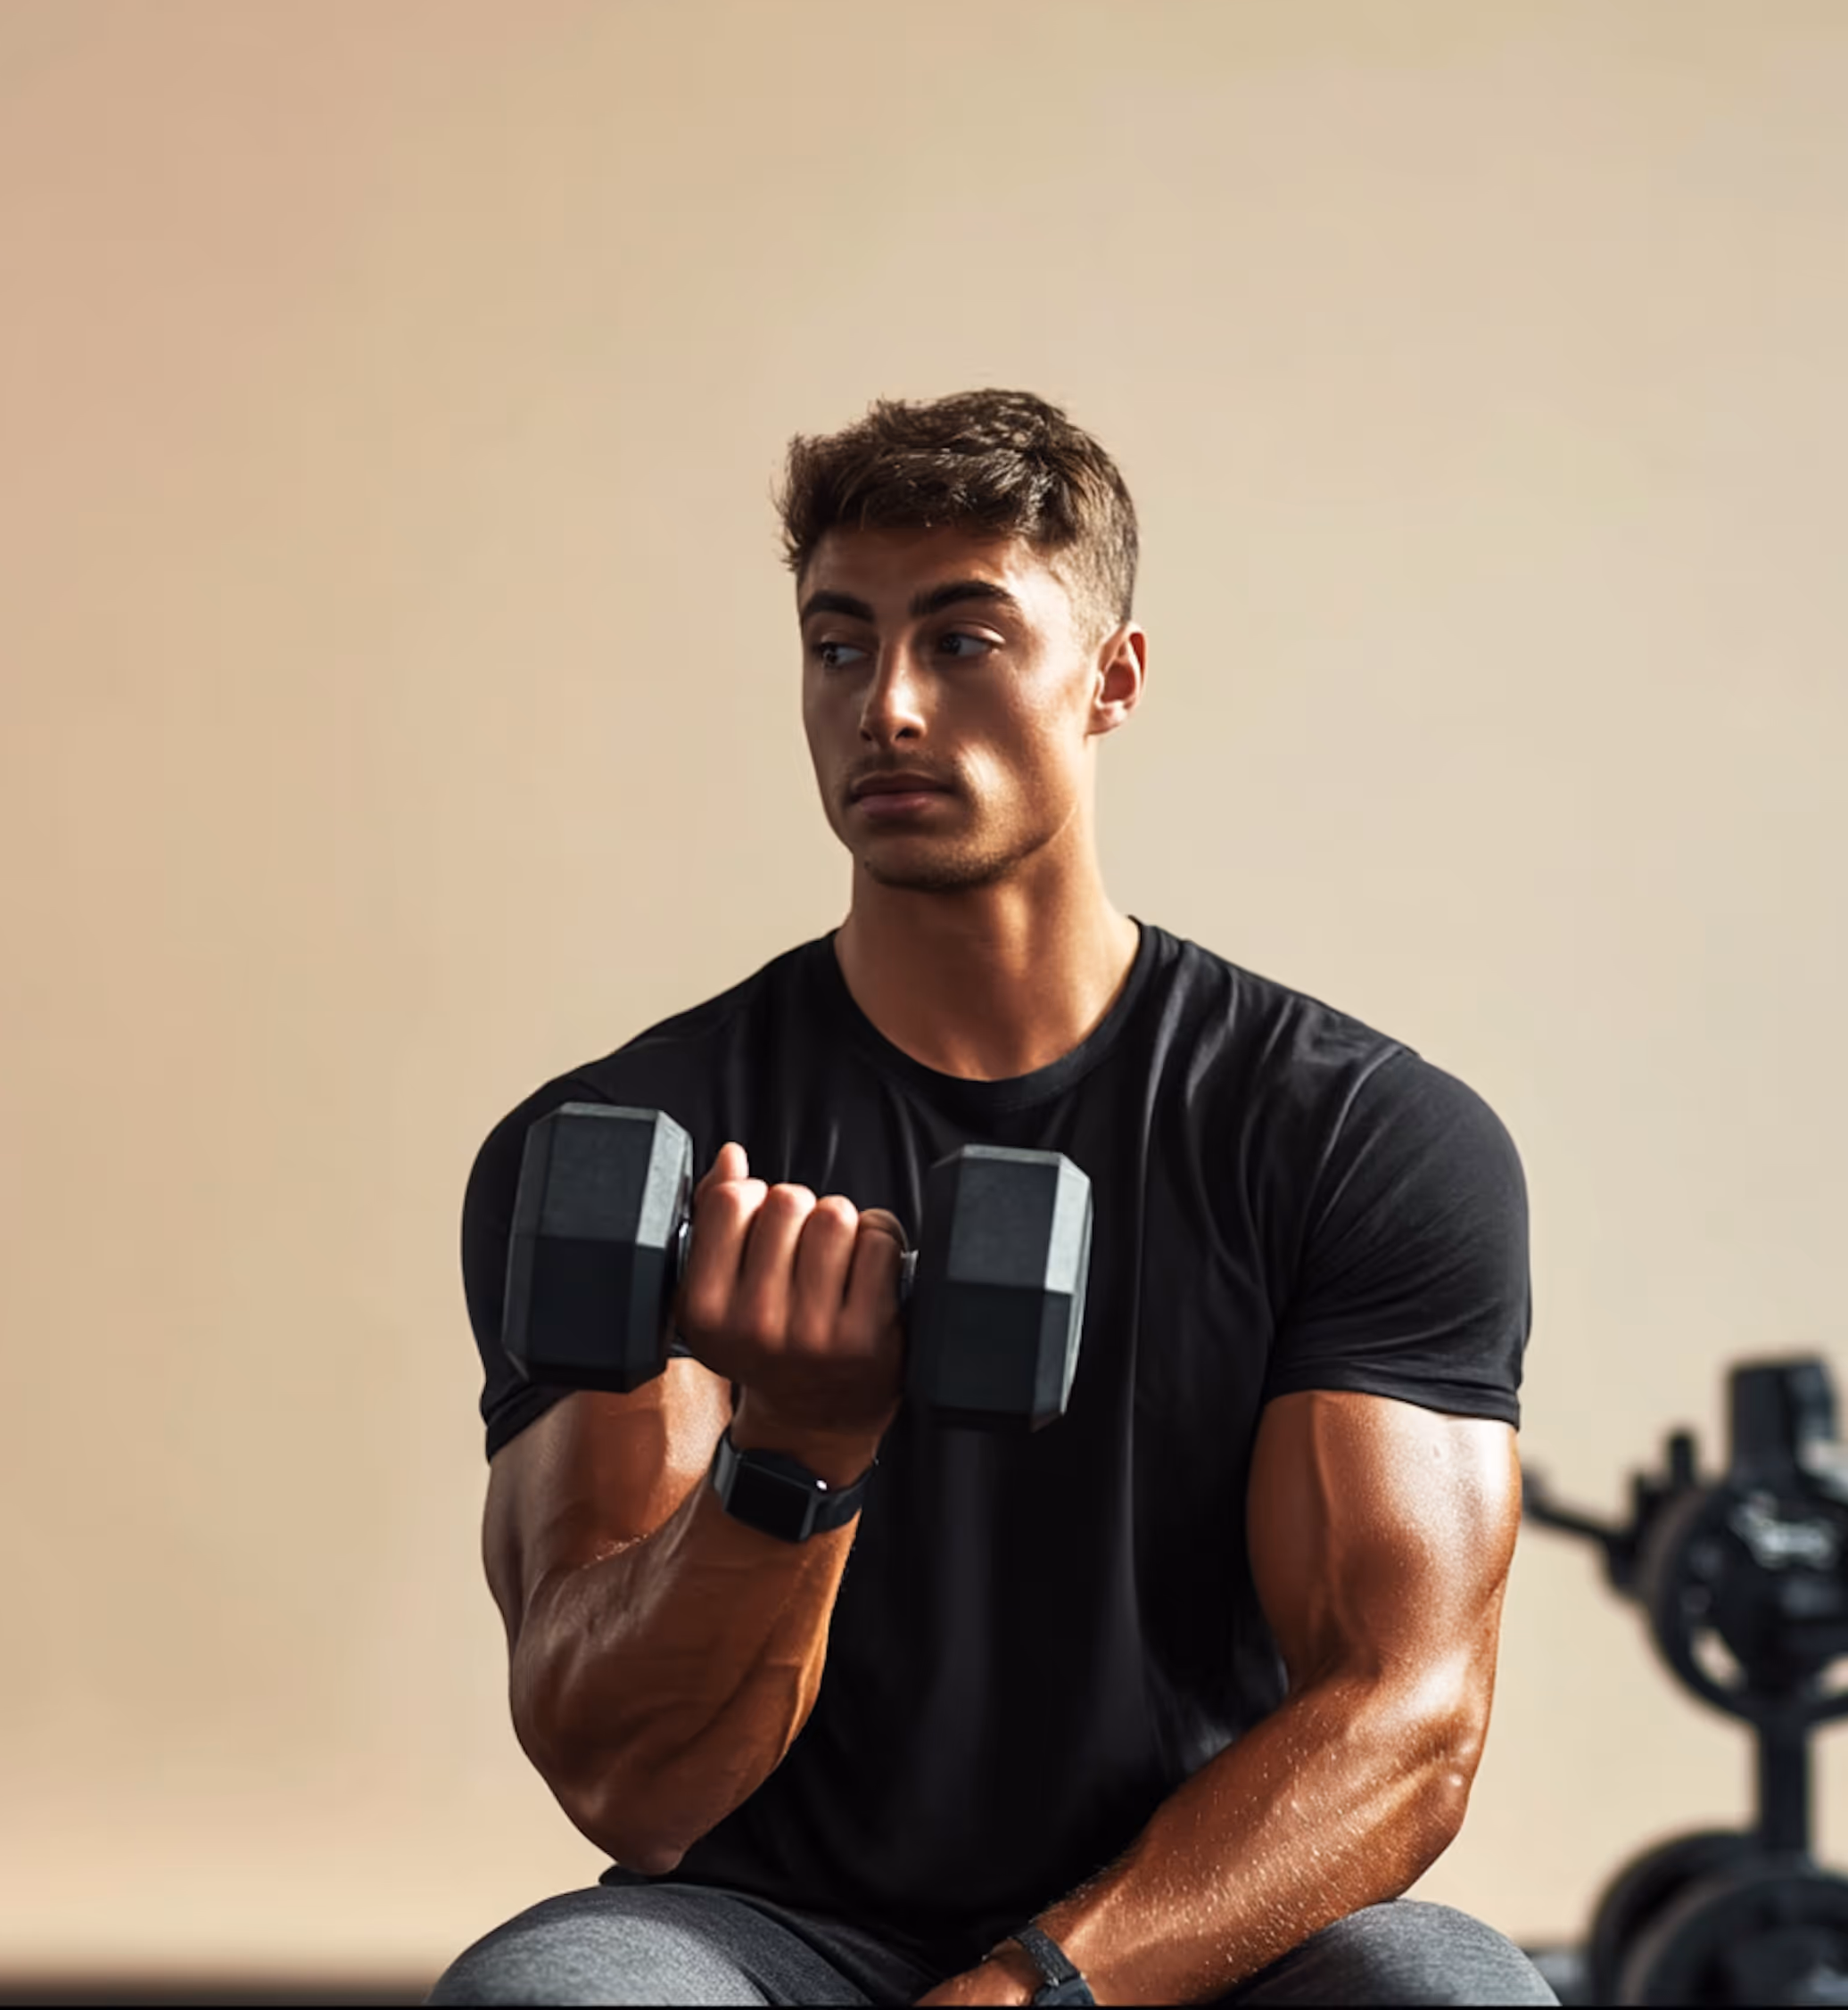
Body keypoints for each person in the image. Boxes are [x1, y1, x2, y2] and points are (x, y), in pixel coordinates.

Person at [432, 391, 1557, 2006]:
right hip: (768, 1932)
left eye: (962, 642)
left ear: (1111, 679)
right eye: (839, 646)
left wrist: (1042, 1991)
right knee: (557, 1999)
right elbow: (633, 1786)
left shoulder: (1355, 1138)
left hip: (1198, 1935)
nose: (885, 705)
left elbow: (1407, 1722)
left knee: (1451, 1997)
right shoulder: (636, 1144)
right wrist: (796, 1451)